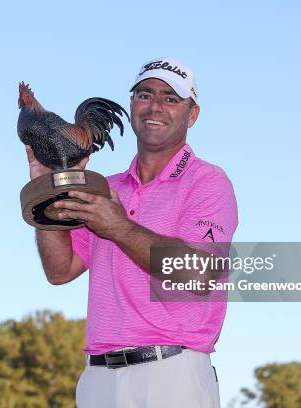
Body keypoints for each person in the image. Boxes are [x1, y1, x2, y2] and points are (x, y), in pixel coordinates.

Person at [24, 57, 238, 408]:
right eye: (144, 95)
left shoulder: (208, 181)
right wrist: (44, 186)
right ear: (132, 104)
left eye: (171, 99)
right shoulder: (104, 187)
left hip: (170, 373)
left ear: (192, 114)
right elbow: (59, 270)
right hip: (98, 377)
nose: (155, 106)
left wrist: (118, 226)